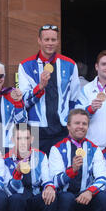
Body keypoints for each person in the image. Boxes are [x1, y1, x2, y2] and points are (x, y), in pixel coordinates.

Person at [50, 109, 106, 211]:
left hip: (86, 197)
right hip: (66, 200)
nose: (81, 126)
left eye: (84, 124)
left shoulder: (94, 149)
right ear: (68, 126)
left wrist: (90, 191)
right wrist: (72, 170)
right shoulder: (57, 149)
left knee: (103, 198)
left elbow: (103, 177)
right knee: (65, 198)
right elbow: (54, 182)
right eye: (77, 123)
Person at [18, 24, 80, 155]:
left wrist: (71, 124)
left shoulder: (70, 64)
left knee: (60, 167)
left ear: (58, 41)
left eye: (53, 40)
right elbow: (23, 101)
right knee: (36, 170)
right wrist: (40, 87)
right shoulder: (26, 65)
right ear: (39, 40)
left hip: (62, 128)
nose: (50, 43)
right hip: (36, 130)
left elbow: (74, 99)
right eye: (46, 40)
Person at [3, 123, 57, 211]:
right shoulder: (5, 159)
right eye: (19, 138)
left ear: (32, 139)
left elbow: (47, 179)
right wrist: (17, 174)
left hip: (33, 198)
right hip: (16, 202)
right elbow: (7, 191)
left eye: (26, 138)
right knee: (15, 199)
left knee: (51, 197)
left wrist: (50, 187)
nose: (22, 142)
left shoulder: (41, 156)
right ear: (12, 140)